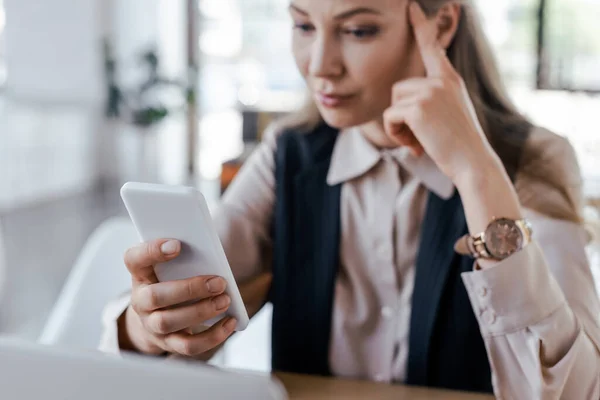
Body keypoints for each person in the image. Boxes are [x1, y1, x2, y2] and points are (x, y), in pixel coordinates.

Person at [100, 0, 600, 397]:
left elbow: (579, 390)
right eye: (303, 25)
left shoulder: (534, 160)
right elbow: (190, 310)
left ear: (441, 24)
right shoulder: (288, 154)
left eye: (358, 30)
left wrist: (475, 170)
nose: (320, 66)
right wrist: (148, 330)